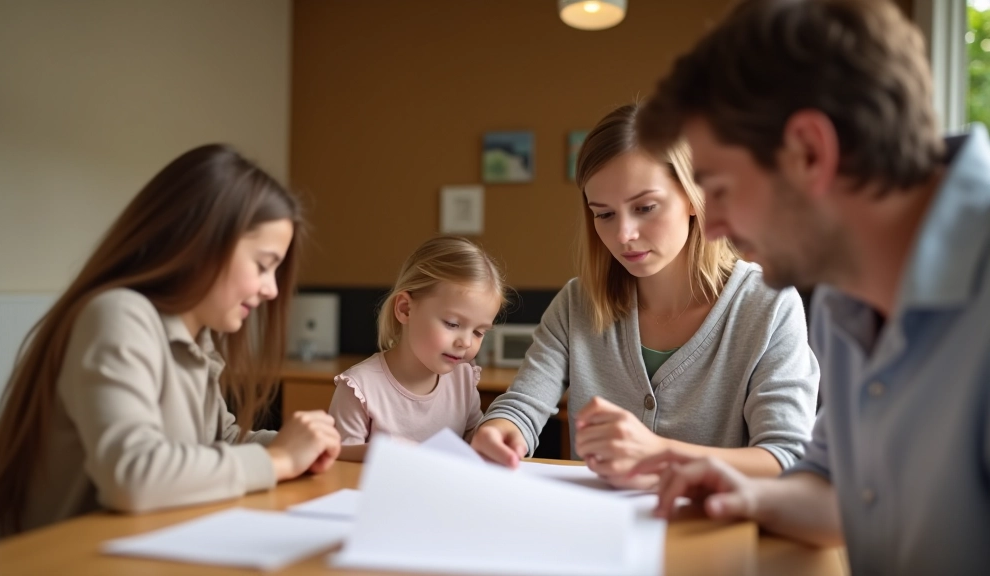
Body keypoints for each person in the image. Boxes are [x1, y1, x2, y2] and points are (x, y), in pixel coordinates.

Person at [633, 0, 990, 573]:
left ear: (809, 152)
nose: (712, 225)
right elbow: (838, 490)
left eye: (718, 188)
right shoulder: (845, 290)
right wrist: (750, 496)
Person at [0, 144, 341, 539]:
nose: (272, 289)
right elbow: (133, 474)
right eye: (263, 266)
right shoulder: (119, 315)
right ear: (201, 242)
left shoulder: (196, 337)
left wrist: (307, 446)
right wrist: (280, 459)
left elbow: (219, 442)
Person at [470, 103, 820, 488]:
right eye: (604, 214)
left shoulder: (768, 303)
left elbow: (786, 457)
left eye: (645, 207)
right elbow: (523, 406)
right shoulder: (576, 304)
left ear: (695, 196)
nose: (624, 235)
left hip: (710, 523)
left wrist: (659, 453)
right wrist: (501, 428)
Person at [328, 236, 507, 461]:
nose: (466, 343)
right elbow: (336, 462)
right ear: (405, 309)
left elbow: (474, 443)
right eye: (452, 324)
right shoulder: (359, 388)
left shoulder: (463, 380)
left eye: (479, 332)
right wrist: (385, 451)